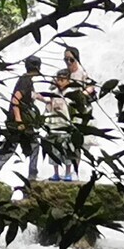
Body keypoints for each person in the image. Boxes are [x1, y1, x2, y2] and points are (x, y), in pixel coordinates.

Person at [0, 55, 42, 182]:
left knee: (12, 146)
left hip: (20, 120)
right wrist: (19, 121)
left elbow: (30, 96)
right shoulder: (25, 81)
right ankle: (31, 175)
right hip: (19, 121)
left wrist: (46, 100)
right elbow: (16, 100)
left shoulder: (26, 80)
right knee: (28, 145)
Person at [63, 47, 96, 177]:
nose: (68, 62)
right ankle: (67, 170)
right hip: (67, 110)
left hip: (80, 111)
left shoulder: (82, 72)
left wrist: (82, 95)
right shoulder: (65, 73)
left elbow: (91, 86)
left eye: (71, 59)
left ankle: (74, 171)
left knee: (76, 142)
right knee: (66, 140)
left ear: (76, 58)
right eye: (65, 59)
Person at [44, 69, 74, 182]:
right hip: (54, 127)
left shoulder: (71, 93)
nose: (59, 82)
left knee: (67, 152)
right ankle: (55, 173)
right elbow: (49, 105)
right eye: (58, 80)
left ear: (68, 80)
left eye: (62, 80)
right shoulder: (54, 93)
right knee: (54, 152)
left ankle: (68, 173)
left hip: (66, 127)